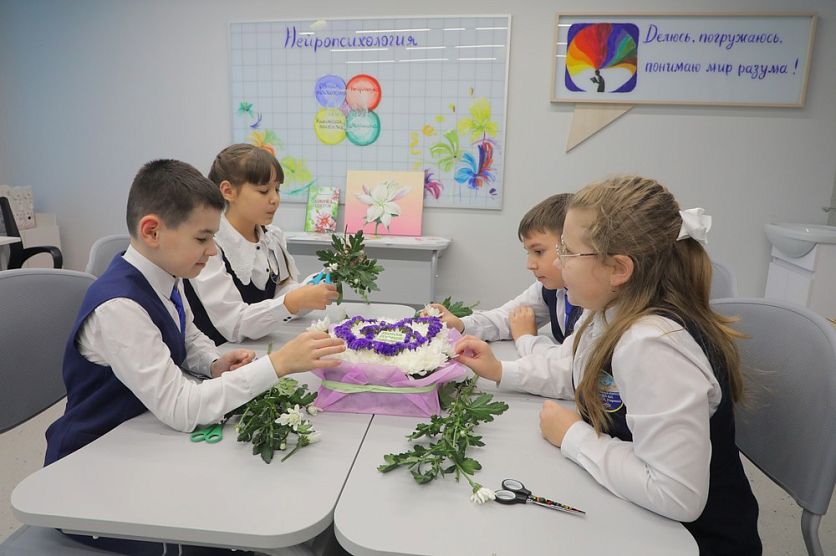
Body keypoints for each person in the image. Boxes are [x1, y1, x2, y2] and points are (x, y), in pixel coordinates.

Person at [44, 159, 345, 555]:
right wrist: (278, 364)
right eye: (203, 238)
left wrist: (214, 363)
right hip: (91, 470)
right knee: (230, 530)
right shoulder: (120, 307)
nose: (212, 250)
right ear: (152, 231)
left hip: (142, 439)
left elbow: (189, 338)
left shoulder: (166, 274)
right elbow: (181, 409)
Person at [456, 176, 761, 555]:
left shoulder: (652, 345)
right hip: (638, 515)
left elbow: (676, 494)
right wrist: (502, 370)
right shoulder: (609, 312)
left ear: (618, 268)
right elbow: (576, 372)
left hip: (691, 540)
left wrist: (573, 436)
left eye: (567, 251)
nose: (559, 263)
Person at [185, 143, 338, 345]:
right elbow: (234, 325)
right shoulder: (208, 246)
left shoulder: (271, 237)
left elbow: (283, 293)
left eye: (277, 189)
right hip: (218, 355)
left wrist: (326, 278)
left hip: (259, 348)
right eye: (264, 190)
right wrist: (293, 301)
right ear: (228, 191)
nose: (275, 199)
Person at [426, 194, 581, 374]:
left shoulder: (592, 302)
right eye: (529, 253)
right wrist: (460, 325)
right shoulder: (550, 289)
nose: (530, 265)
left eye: (539, 252)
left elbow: (568, 364)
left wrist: (525, 337)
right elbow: (505, 317)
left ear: (570, 247)